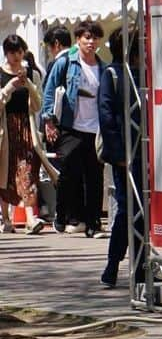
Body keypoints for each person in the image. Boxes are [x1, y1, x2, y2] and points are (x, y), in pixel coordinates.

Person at [42, 20, 107, 238]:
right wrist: (48, 120)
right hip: (71, 125)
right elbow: (50, 90)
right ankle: (63, 214)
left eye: (95, 37)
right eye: (87, 37)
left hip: (95, 128)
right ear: (78, 39)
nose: (91, 42)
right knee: (68, 172)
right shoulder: (67, 63)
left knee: (94, 176)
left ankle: (93, 223)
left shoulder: (102, 66)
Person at [98, 28, 145, 288]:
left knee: (144, 212)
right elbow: (106, 116)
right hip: (125, 155)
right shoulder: (113, 73)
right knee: (128, 210)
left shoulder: (147, 74)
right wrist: (118, 154)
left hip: (146, 153)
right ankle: (113, 264)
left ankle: (141, 268)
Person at [0, 35, 44, 234]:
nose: (16, 56)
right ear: (6, 53)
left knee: (27, 172)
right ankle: (6, 218)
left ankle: (30, 218)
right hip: (5, 131)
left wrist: (28, 86)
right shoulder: (1, 73)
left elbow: (37, 105)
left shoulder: (31, 74)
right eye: (12, 52)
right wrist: (8, 88)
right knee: (5, 173)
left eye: (19, 52)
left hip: (27, 128)